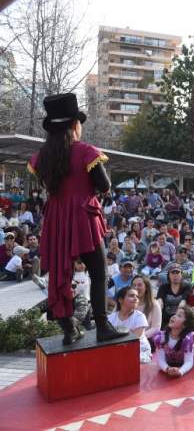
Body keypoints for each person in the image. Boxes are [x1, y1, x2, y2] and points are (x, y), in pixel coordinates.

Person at [28, 93, 127, 344]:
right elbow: (104, 186)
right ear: (74, 125)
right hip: (83, 217)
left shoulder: (42, 157)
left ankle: (68, 329)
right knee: (98, 272)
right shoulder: (86, 152)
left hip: (57, 219)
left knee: (60, 275)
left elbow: (49, 186)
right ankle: (103, 326)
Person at [153, 306, 194, 377]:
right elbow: (161, 359)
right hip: (168, 368)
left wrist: (180, 371)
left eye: (179, 316)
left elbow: (189, 361)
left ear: (185, 325)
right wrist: (167, 369)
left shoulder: (188, 338)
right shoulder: (161, 337)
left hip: (186, 370)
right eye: (175, 314)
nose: (174, 316)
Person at [108, 287, 151, 363]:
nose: (135, 299)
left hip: (139, 350)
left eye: (137, 296)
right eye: (131, 296)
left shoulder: (140, 316)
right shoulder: (111, 318)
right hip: (117, 349)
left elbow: (133, 340)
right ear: (120, 300)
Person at [156, 264, 191, 329]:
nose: (175, 275)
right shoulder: (163, 287)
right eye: (172, 272)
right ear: (168, 275)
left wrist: (182, 304)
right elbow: (159, 299)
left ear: (181, 275)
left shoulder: (187, 286)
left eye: (177, 272)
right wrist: (158, 305)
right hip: (164, 319)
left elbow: (184, 299)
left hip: (180, 321)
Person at [131, 275, 161, 341]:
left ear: (146, 287)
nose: (136, 287)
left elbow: (156, 328)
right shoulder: (128, 302)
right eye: (134, 285)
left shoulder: (154, 304)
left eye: (139, 285)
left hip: (145, 340)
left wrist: (138, 337)